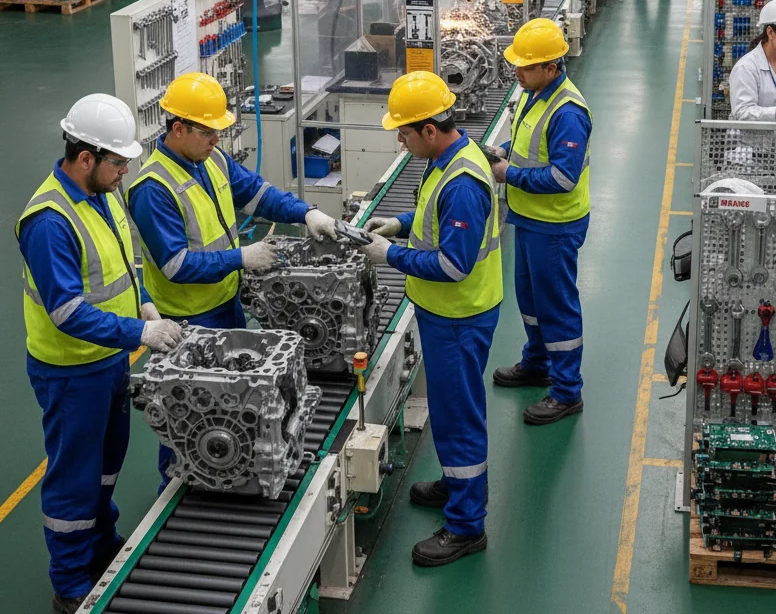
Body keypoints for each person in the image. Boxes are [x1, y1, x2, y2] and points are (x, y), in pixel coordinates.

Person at [125, 71, 339, 488]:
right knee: (189, 415)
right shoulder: (152, 188)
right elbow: (176, 266)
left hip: (226, 308)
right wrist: (242, 257)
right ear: (179, 129)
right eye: (208, 131)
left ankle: (231, 477)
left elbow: (259, 195)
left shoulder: (212, 160)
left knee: (233, 406)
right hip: (185, 324)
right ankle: (178, 490)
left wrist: (307, 213)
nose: (216, 140)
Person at [17, 95, 184, 614]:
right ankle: (70, 584)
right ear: (84, 157)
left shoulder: (104, 192)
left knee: (107, 466)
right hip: (70, 371)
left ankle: (103, 550)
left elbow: (118, 266)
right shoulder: (49, 220)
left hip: (108, 359)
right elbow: (67, 311)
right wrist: (141, 333)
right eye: (117, 161)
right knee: (74, 478)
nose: (125, 170)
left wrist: (146, 305)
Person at [360, 71, 501, 568]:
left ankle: (466, 527)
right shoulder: (445, 159)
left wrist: (389, 256)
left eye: (404, 130)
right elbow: (431, 222)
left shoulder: (461, 181)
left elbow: (453, 264)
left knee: (460, 418)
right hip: (446, 315)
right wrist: (397, 226)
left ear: (429, 129)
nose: (399, 138)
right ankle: (454, 483)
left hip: (460, 316)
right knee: (447, 411)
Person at [487, 18, 592, 426]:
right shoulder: (536, 93)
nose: (517, 72)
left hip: (556, 226)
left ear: (551, 67)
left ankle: (567, 392)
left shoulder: (568, 111)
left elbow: (563, 178)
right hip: (529, 219)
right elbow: (532, 142)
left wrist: (507, 173)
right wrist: (503, 150)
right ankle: (538, 363)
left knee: (557, 308)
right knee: (529, 302)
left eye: (526, 67)